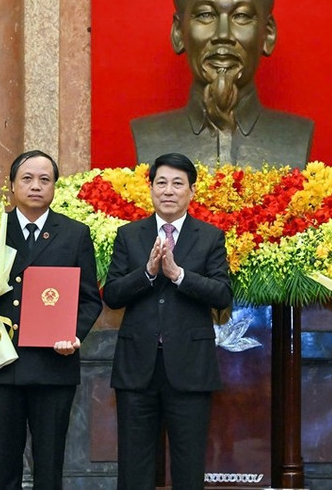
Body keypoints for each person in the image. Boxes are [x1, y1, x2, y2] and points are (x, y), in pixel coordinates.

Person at [0, 150, 103, 490]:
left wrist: (73, 334)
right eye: (27, 178)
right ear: (11, 185)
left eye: (45, 179)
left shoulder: (74, 233)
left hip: (53, 366)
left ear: (54, 187)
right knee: (3, 470)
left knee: (49, 470)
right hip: (0, 365)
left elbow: (89, 299)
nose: (36, 186)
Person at [102, 152, 233, 489]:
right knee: (134, 466)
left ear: (191, 191)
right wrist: (147, 273)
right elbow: (113, 295)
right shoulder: (129, 235)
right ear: (150, 188)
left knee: (188, 467)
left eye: (178, 183)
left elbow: (222, 295)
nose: (169, 190)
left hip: (189, 367)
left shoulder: (210, 237)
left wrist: (178, 274)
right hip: (137, 368)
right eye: (161, 182)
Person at [131, 0, 313, 169]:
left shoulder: (296, 136)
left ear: (268, 34)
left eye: (242, 16)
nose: (223, 34)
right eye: (205, 15)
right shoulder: (148, 136)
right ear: (179, 33)